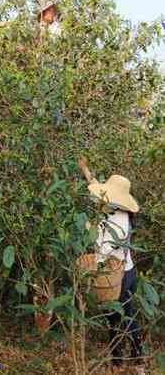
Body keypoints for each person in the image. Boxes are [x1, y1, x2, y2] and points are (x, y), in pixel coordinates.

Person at [78, 158, 145, 375]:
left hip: (120, 275)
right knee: (117, 317)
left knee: (122, 317)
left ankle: (134, 361)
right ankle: (121, 362)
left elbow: (105, 248)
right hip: (123, 272)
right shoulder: (110, 209)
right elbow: (96, 186)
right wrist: (85, 170)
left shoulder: (119, 219)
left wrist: (88, 228)